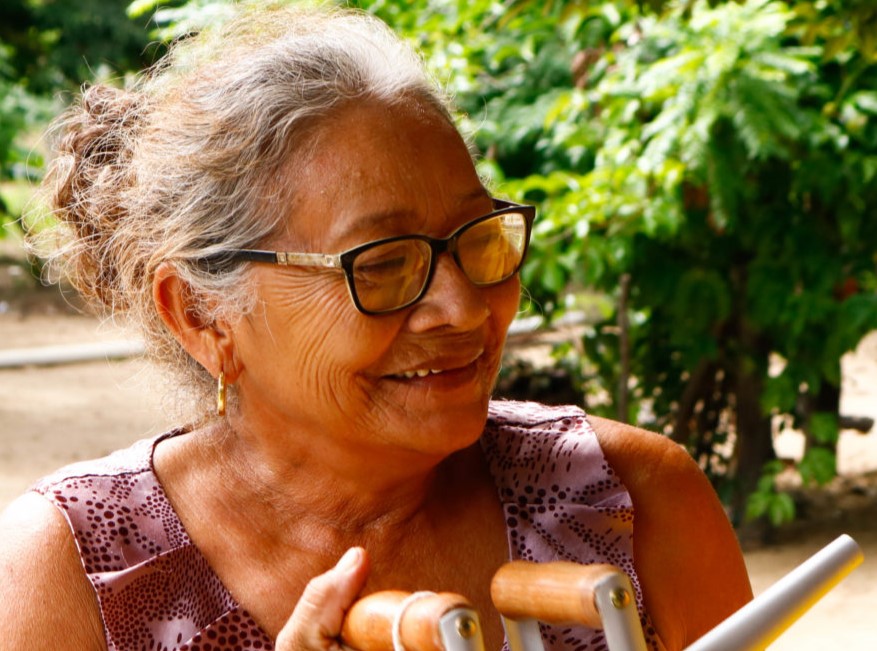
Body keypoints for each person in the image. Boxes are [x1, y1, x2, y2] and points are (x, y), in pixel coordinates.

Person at [0, 5, 752, 650]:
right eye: (383, 265)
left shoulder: (631, 502)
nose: (462, 308)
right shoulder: (75, 565)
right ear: (201, 314)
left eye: (477, 237)